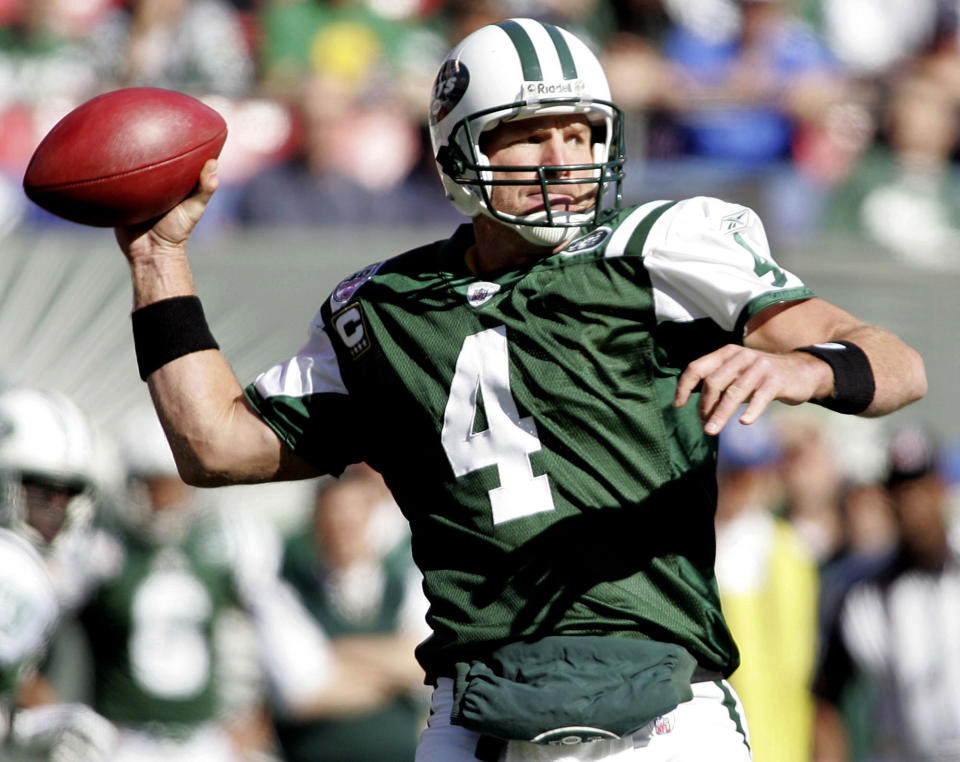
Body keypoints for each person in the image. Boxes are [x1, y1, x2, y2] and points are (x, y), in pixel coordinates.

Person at [111, 16, 926, 762]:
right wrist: (158, 259)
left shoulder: (661, 248)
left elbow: (896, 364)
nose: (563, 160)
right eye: (529, 136)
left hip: (660, 713)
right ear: (460, 150)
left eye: (581, 134)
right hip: (477, 713)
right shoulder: (386, 310)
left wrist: (803, 364)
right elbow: (213, 444)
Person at [813, 426, 960, 761]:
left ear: (940, 489)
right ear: (889, 499)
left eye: (922, 489)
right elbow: (826, 698)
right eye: (903, 492)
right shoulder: (861, 595)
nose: (914, 505)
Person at [271, 463, 430, 762]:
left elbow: (425, 666)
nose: (343, 531)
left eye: (353, 520)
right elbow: (302, 693)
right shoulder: (289, 589)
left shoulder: (403, 581)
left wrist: (338, 650)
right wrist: (396, 677)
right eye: (334, 520)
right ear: (317, 523)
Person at [0, 387, 118, 761]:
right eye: (42, 489)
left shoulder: (37, 567)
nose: (58, 506)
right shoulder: (14, 569)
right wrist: (26, 729)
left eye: (69, 492)